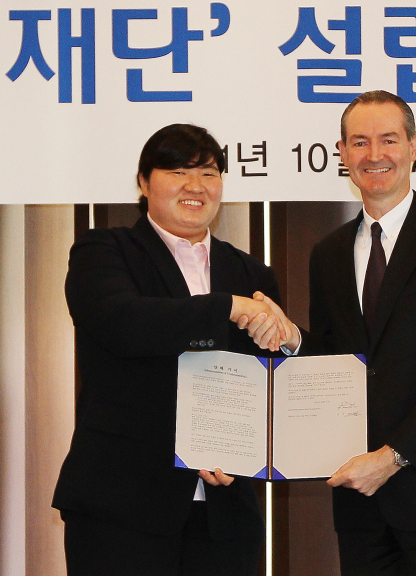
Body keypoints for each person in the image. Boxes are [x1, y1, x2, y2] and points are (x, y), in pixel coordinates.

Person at [244, 90, 416, 575]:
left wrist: (394, 457)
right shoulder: (329, 252)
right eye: (359, 142)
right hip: (361, 499)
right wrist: (291, 339)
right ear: (341, 154)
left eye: (388, 140)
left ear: (415, 147)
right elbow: (339, 358)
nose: (374, 155)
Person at [52, 123, 285, 576]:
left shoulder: (252, 273)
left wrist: (248, 450)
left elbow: (268, 381)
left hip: (226, 512)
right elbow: (122, 323)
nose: (196, 186)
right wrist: (225, 309)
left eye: (210, 173)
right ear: (143, 181)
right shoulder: (103, 250)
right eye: (179, 171)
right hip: (122, 506)